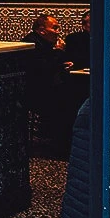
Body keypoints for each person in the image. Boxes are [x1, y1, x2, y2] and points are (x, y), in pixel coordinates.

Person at [23, 14, 73, 157]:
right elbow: (42, 68)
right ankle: (59, 144)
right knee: (67, 99)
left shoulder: (44, 43)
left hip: (46, 89)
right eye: (55, 28)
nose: (58, 31)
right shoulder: (31, 44)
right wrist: (58, 52)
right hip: (34, 93)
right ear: (42, 30)